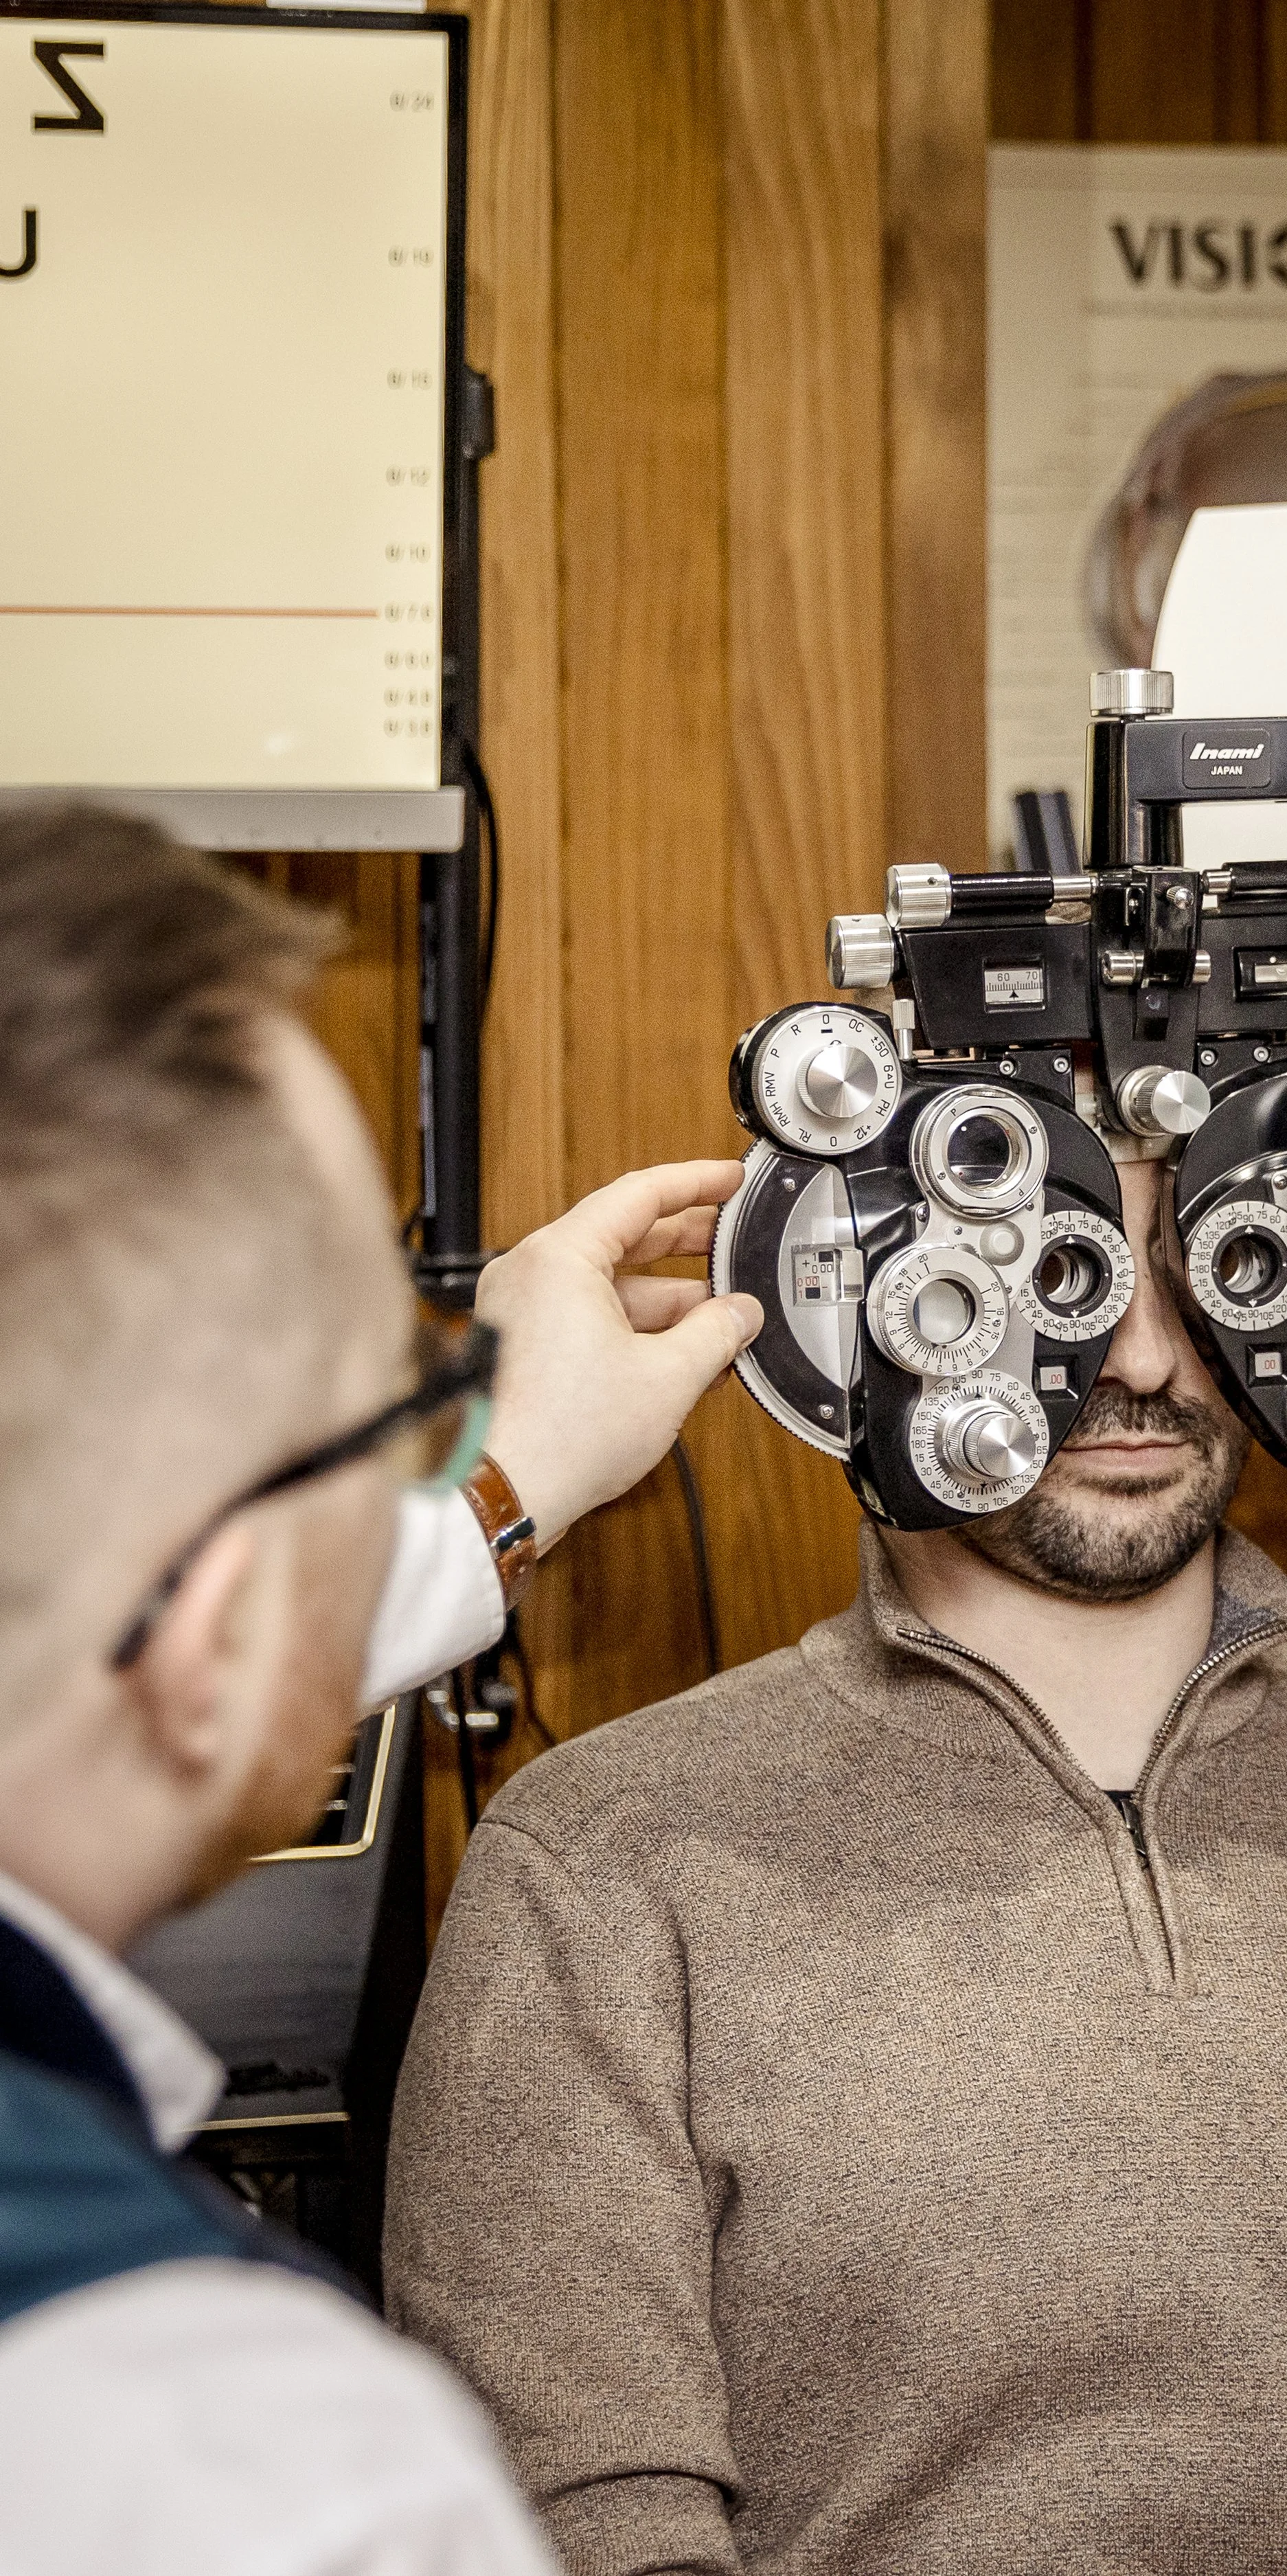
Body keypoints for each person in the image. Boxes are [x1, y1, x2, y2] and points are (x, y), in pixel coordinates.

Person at [387, 1140, 1287, 2574]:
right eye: (1048, 1267)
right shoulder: (602, 1863)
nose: (1139, 1354)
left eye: (1200, 1263)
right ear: (866, 1298)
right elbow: (576, 2523)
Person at [0, 806, 762, 2576]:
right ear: (210, 1636)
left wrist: (500, 1485)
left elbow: (190, 1603)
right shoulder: (256, 2470)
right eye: (385, 1408)